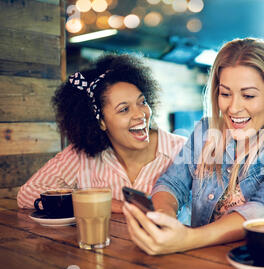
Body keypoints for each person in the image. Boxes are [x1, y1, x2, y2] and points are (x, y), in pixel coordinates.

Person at [122, 38, 264, 255]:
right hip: (204, 259)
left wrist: (188, 238)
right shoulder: (206, 131)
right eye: (225, 94)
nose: (233, 108)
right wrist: (163, 219)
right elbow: (172, 183)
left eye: (248, 95)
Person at [17, 54, 187, 213]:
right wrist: (110, 204)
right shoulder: (80, 156)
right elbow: (27, 194)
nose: (140, 114)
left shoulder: (182, 149)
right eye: (124, 109)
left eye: (142, 102)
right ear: (101, 122)